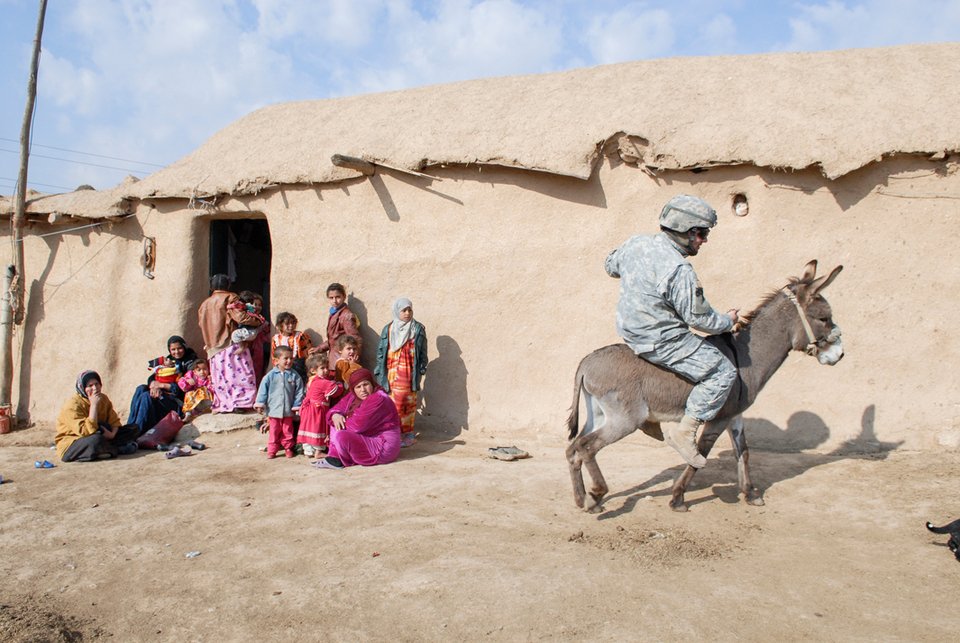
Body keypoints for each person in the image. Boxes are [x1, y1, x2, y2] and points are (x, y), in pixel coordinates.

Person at [604, 194, 739, 468]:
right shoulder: (679, 270)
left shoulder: (637, 243)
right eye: (702, 234)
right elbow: (699, 319)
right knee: (723, 372)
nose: (704, 240)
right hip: (661, 340)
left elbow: (610, 266)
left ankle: (654, 417)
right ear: (687, 232)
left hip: (630, 332)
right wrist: (728, 320)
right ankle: (685, 432)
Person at [198, 274, 261, 413]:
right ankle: (240, 403)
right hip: (230, 343)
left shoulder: (204, 304)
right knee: (240, 373)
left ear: (212, 287)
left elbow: (201, 324)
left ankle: (225, 404)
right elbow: (240, 316)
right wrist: (257, 321)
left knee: (221, 376)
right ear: (228, 285)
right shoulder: (230, 297)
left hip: (213, 346)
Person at [314, 368, 401, 470]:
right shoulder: (353, 396)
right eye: (358, 387)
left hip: (383, 444)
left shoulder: (379, 398)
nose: (363, 390)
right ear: (353, 389)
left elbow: (357, 426)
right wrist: (335, 415)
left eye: (366, 384)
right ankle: (335, 456)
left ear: (372, 383)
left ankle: (338, 458)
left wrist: (339, 420)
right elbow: (335, 409)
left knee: (341, 434)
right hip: (367, 436)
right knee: (336, 420)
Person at [374, 297, 428, 448]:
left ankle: (408, 434)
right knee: (393, 402)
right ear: (397, 312)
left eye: (409, 309)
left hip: (410, 372)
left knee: (408, 402)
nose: (407, 313)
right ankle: (394, 433)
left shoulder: (417, 329)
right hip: (392, 372)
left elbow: (423, 351)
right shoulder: (389, 329)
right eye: (403, 310)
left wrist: (423, 366)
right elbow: (381, 352)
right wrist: (379, 370)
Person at [56, 371, 140, 462]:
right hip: (74, 442)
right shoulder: (73, 405)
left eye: (97, 384)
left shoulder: (103, 399)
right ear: (82, 388)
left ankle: (105, 449)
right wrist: (94, 405)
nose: (95, 388)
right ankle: (115, 449)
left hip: (102, 434)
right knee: (95, 440)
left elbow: (114, 421)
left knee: (133, 428)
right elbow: (85, 431)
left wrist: (112, 435)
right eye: (90, 386)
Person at [127, 335, 197, 434]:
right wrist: (153, 384)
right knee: (141, 389)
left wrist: (161, 386)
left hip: (179, 402)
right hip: (165, 395)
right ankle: (130, 426)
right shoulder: (168, 360)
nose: (176, 352)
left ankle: (136, 431)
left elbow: (183, 388)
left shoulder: (191, 362)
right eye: (173, 349)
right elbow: (153, 376)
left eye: (179, 348)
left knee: (146, 396)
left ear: (184, 347)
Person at [254, 345, 305, 458]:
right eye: (285, 358)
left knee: (288, 431)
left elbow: (299, 391)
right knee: (274, 431)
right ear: (276, 360)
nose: (289, 361)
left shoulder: (295, 376)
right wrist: (260, 403)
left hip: (288, 411)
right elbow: (263, 391)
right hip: (274, 410)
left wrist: (297, 405)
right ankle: (272, 450)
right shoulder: (269, 376)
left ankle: (288, 448)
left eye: (291, 358)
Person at [297, 352, 344, 458]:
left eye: (327, 367)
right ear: (313, 370)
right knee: (318, 428)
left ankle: (309, 451)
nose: (326, 370)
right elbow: (336, 390)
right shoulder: (322, 382)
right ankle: (318, 451)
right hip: (317, 410)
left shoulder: (311, 380)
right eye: (322, 368)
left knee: (309, 428)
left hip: (308, 409)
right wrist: (341, 384)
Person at [314, 282, 361, 372]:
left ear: (344, 297)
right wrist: (318, 349)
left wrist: (354, 361)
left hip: (343, 361)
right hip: (334, 360)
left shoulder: (346, 316)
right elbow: (333, 339)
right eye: (331, 298)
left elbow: (355, 339)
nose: (334, 301)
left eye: (338, 297)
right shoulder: (334, 313)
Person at [235, 291, 271, 385]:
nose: (257, 307)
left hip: (257, 350)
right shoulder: (243, 319)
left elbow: (267, 337)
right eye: (255, 304)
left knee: (256, 371)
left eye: (260, 305)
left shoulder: (262, 321)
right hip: (244, 348)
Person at [271, 311, 312, 382]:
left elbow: (308, 353)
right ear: (281, 325)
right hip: (282, 368)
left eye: (293, 323)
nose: (291, 326)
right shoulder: (276, 339)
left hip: (298, 367)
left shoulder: (300, 336)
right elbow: (274, 355)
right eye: (287, 324)